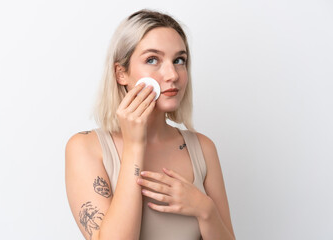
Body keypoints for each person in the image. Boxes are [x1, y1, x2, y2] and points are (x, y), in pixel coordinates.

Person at [65, 9, 236, 240]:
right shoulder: (85, 148)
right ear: (121, 73)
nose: (172, 74)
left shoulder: (203, 148)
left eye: (179, 60)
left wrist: (205, 210)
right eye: (152, 59)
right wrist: (135, 145)